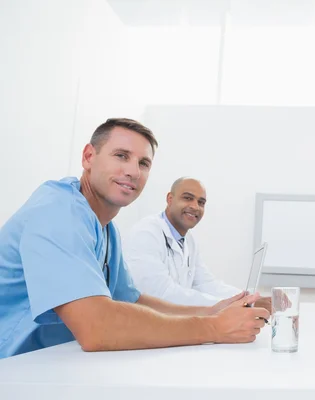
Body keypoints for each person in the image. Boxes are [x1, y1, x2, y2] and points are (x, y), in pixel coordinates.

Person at [0, 118, 268, 359]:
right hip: (12, 368)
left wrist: (213, 311)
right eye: (121, 156)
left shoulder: (106, 229)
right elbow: (98, 327)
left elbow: (132, 300)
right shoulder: (57, 212)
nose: (133, 171)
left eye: (143, 163)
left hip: (49, 364)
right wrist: (215, 327)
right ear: (88, 157)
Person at [123, 177, 271, 310]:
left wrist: (248, 298)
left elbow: (205, 284)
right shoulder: (146, 232)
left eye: (201, 202)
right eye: (188, 198)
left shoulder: (189, 241)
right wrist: (230, 305)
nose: (195, 207)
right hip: (145, 327)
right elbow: (161, 293)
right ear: (170, 199)